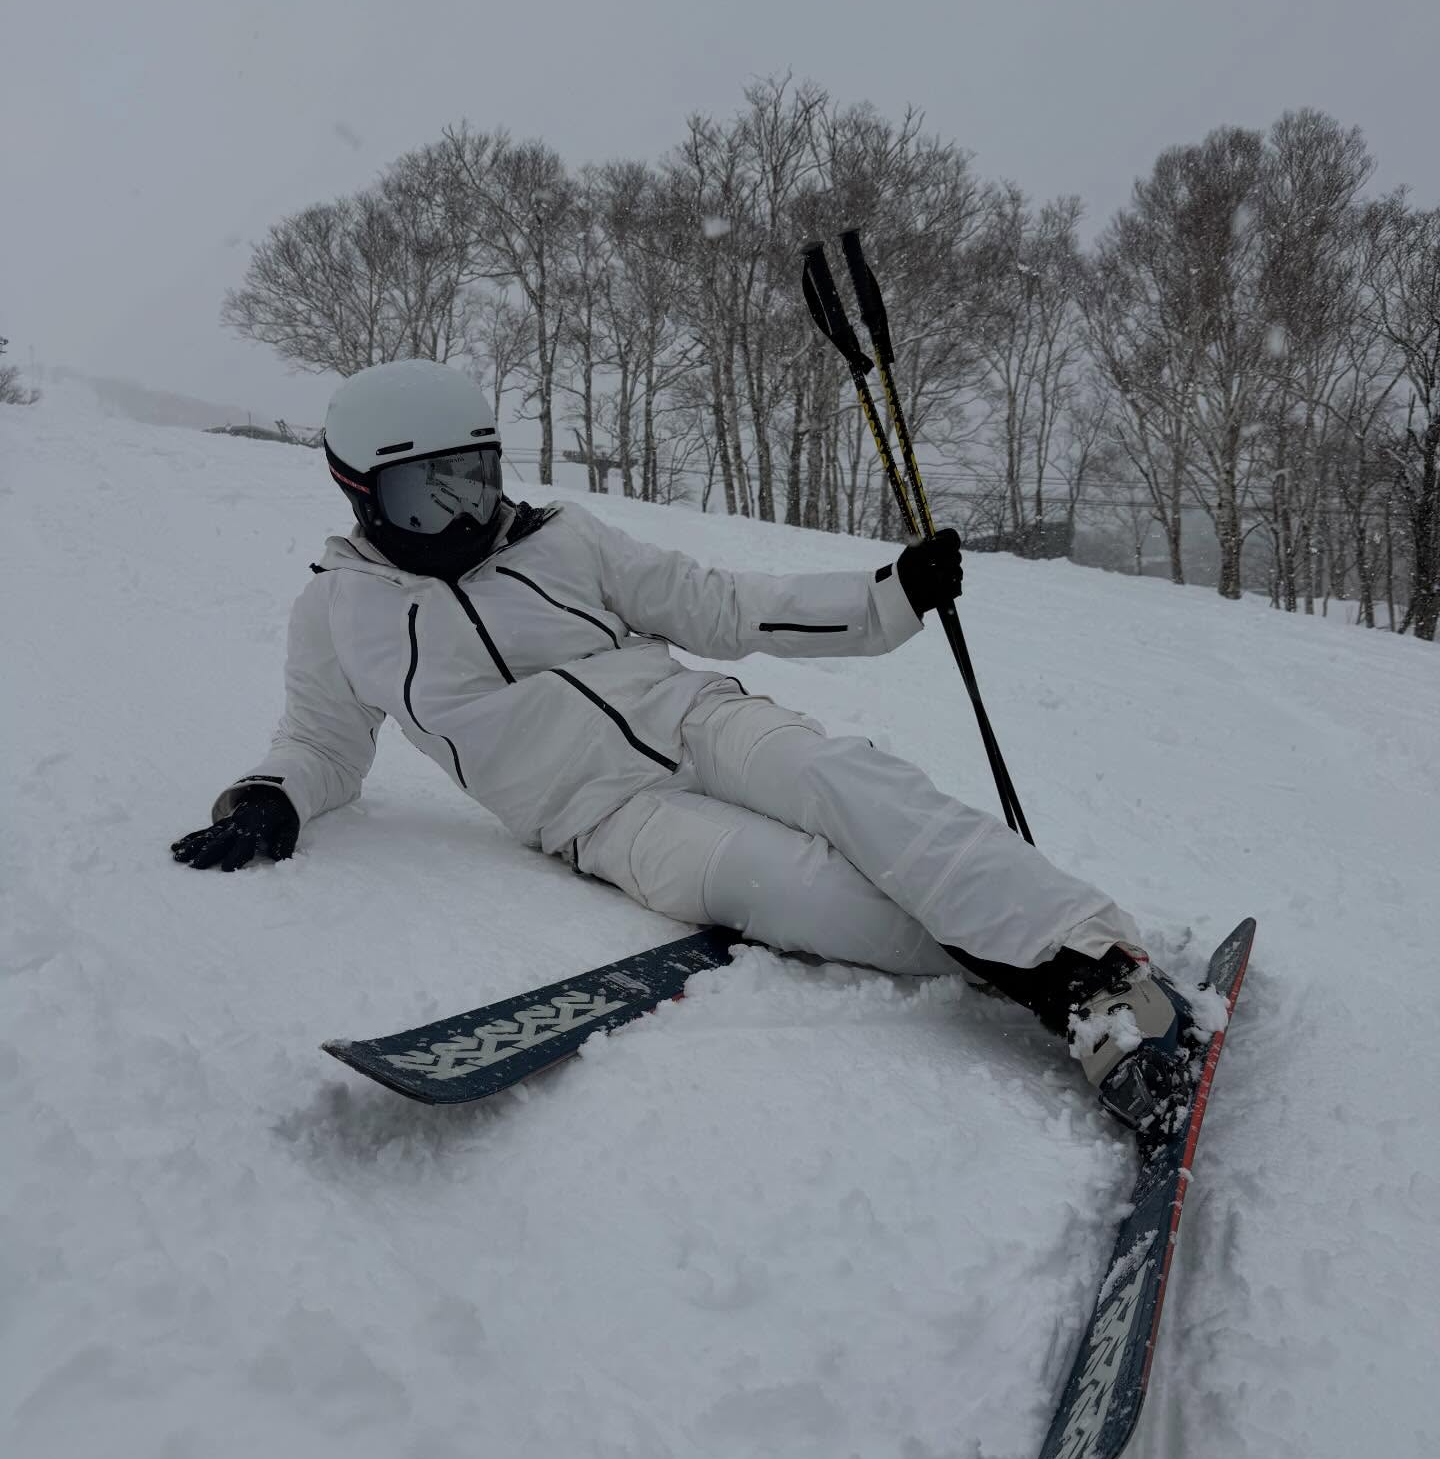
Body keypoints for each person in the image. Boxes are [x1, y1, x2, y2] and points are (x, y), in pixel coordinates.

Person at [172, 359, 1197, 1128]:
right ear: (360, 496)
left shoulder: (561, 540)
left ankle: (1101, 970)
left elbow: (713, 604)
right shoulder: (338, 613)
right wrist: (272, 795)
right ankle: (1046, 977)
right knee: (797, 889)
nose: (460, 511)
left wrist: (886, 599)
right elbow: (318, 738)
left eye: (474, 478)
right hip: (602, 817)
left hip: (694, 716)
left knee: (849, 782)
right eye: (423, 492)